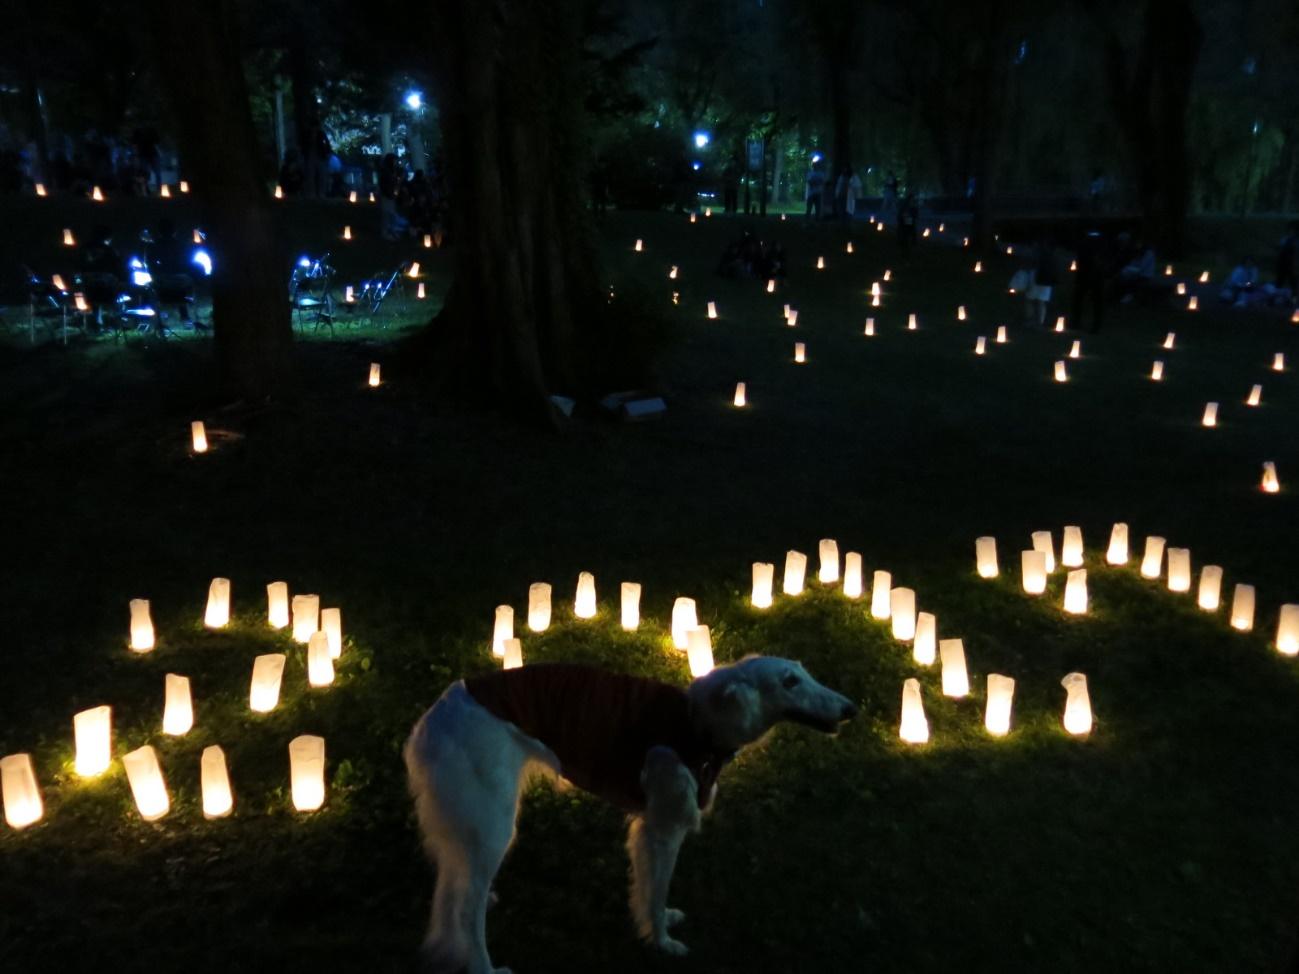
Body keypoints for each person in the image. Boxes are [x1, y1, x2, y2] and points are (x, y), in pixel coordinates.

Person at [1071, 229, 1109, 332]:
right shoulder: (1100, 244)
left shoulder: (1088, 244)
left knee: (1092, 301)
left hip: (1091, 276)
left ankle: (1091, 324)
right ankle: (1080, 322)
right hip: (1089, 275)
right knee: (1083, 299)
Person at [1026, 239, 1059, 327]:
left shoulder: (1038, 253)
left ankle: (1031, 320)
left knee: (1030, 300)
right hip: (1046, 279)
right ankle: (1040, 321)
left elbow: (1032, 263)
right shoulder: (1052, 254)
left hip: (1037, 276)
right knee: (1041, 302)